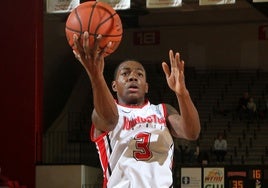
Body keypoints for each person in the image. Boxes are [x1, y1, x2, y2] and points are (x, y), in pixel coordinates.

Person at [72, 32, 201, 188]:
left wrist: (182, 93)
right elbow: (110, 119)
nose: (133, 77)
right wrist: (96, 76)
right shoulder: (105, 111)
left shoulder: (163, 111)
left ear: (146, 87)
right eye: (125, 73)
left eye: (139, 74)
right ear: (114, 86)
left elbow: (192, 132)